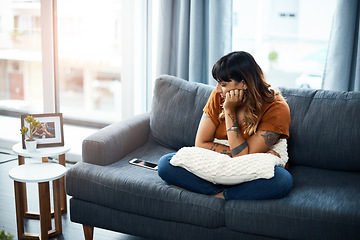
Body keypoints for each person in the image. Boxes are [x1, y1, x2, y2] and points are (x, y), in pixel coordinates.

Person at [158, 51, 293, 200]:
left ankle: (219, 193)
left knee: (282, 180)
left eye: (223, 84)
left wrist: (229, 111)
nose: (217, 90)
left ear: (244, 83)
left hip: (249, 168)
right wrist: (238, 152)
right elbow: (201, 143)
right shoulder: (218, 96)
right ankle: (225, 193)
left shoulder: (277, 107)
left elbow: (243, 158)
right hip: (219, 163)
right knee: (166, 163)